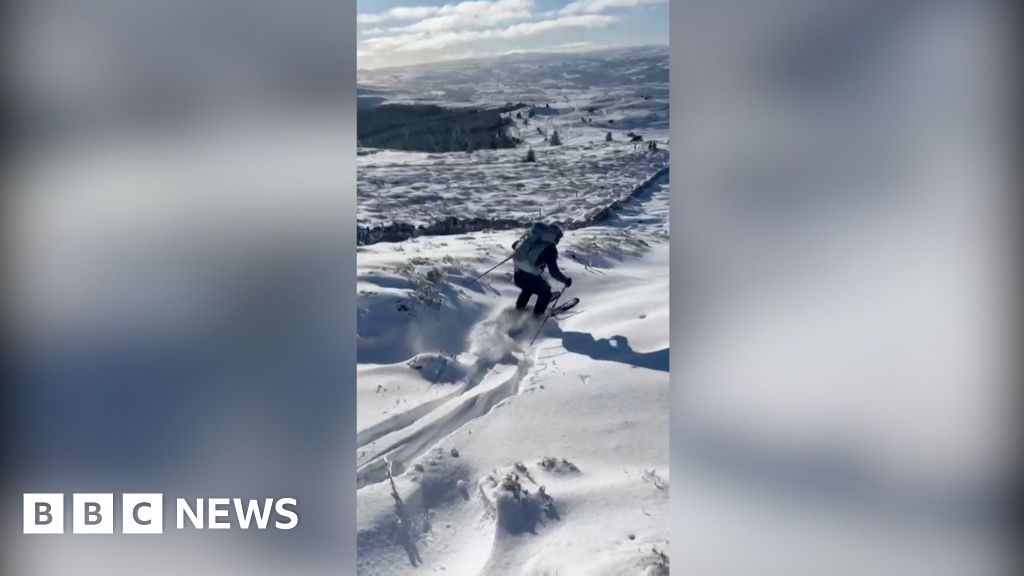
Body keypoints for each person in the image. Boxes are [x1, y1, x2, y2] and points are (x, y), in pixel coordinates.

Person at [511, 223, 572, 316]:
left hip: (517, 276)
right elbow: (554, 272)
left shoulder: (533, 238)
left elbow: (514, 245)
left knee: (528, 289)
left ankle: (519, 309)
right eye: (559, 238)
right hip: (530, 277)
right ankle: (537, 316)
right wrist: (565, 280)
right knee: (546, 293)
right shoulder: (550, 249)